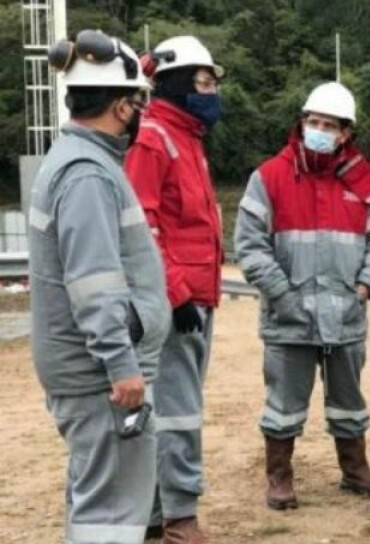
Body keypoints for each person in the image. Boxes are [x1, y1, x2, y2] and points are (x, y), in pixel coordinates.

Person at [30, 30, 170, 544]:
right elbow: (94, 283)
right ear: (121, 107)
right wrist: (121, 364)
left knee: (96, 501)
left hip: (88, 372)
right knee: (111, 511)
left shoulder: (74, 160)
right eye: (137, 102)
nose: (140, 114)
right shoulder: (88, 174)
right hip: (99, 377)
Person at [234, 81, 370, 510]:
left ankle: (355, 472)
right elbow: (250, 246)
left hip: (346, 315)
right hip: (288, 317)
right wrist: (282, 296)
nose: (319, 131)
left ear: (345, 133)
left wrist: (366, 286)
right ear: (301, 123)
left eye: (329, 125)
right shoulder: (269, 177)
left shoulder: (365, 184)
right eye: (313, 122)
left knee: (349, 402)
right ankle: (279, 478)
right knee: (283, 405)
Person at [124, 35, 225, 544]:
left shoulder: (188, 139)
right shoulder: (153, 139)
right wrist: (176, 292)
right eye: (204, 82)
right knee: (178, 410)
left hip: (196, 297)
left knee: (173, 408)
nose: (211, 93)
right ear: (178, 83)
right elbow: (143, 227)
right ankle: (179, 519)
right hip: (175, 302)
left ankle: (153, 513)